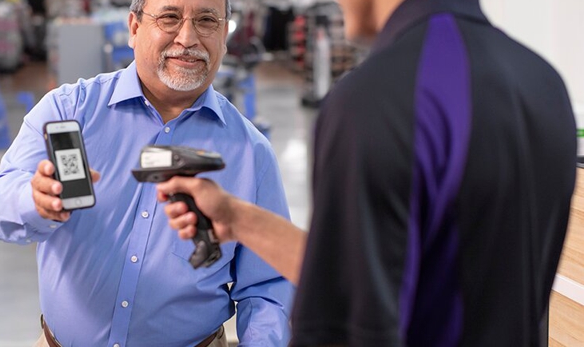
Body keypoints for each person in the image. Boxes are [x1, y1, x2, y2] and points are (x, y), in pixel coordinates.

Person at [157, 0, 578, 345]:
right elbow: (423, 270)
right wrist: (236, 217)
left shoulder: (376, 99)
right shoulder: (542, 85)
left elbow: (347, 320)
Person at [0, 0, 295, 345]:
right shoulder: (69, 110)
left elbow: (268, 287)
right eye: (169, 18)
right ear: (134, 27)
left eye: (207, 20)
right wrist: (33, 200)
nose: (187, 37)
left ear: (224, 34)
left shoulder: (251, 153)